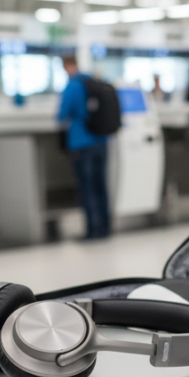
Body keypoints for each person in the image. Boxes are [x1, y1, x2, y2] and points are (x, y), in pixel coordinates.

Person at [58, 55, 110, 240]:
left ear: (66, 66)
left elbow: (61, 115)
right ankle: (105, 226)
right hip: (102, 141)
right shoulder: (95, 81)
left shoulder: (73, 86)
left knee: (87, 188)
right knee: (101, 185)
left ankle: (93, 230)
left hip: (81, 142)